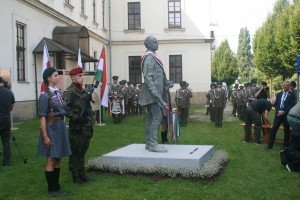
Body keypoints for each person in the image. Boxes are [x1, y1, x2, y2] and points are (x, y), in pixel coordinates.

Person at [37, 67, 71, 197]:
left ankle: (56, 187)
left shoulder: (58, 92)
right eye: (56, 75)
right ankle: (52, 189)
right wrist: (45, 136)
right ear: (48, 78)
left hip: (60, 127)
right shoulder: (45, 96)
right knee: (51, 158)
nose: (58, 77)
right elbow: (42, 117)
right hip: (51, 128)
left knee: (58, 158)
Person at [138, 35, 173, 153]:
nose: (157, 43)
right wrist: (156, 95)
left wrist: (166, 83)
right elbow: (148, 78)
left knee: (151, 118)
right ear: (149, 44)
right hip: (152, 94)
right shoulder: (149, 57)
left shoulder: (153, 57)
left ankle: (149, 143)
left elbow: (158, 77)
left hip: (153, 93)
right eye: (155, 42)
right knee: (157, 117)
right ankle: (153, 143)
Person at [63, 67, 94, 184]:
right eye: (80, 76)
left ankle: (82, 173)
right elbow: (64, 108)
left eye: (82, 76)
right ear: (73, 78)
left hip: (86, 126)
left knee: (83, 151)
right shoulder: (69, 92)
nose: (82, 78)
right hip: (77, 128)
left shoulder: (83, 91)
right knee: (75, 152)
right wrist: (76, 117)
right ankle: (75, 175)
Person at [268, 81, 296, 149]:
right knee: (274, 129)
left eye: (286, 85)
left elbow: (291, 105)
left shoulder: (292, 95)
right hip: (278, 115)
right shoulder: (279, 94)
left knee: (286, 131)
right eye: (284, 85)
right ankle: (270, 145)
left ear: (289, 86)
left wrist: (284, 112)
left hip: (286, 115)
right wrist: (278, 111)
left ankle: (285, 146)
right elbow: (276, 104)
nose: (285, 86)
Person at [0, 77, 15, 167]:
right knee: (6, 141)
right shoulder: (10, 92)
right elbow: (11, 108)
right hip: (6, 119)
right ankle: (6, 162)